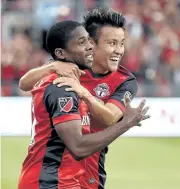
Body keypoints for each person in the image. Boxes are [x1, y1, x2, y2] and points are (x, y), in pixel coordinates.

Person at [18, 20, 150, 189]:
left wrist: (84, 93)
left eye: (121, 43)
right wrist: (51, 67)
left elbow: (109, 117)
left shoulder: (123, 80)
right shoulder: (63, 80)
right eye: (112, 43)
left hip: (79, 174)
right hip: (52, 179)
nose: (119, 50)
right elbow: (78, 147)